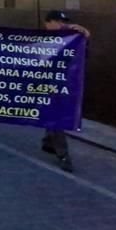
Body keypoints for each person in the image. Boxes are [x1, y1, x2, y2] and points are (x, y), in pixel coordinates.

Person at [41, 10, 91, 172]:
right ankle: (63, 155)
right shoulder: (40, 40)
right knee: (56, 119)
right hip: (47, 85)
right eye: (58, 21)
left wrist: (85, 39)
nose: (62, 24)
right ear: (48, 23)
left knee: (54, 118)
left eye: (63, 22)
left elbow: (83, 57)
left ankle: (49, 140)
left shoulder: (69, 39)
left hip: (63, 85)